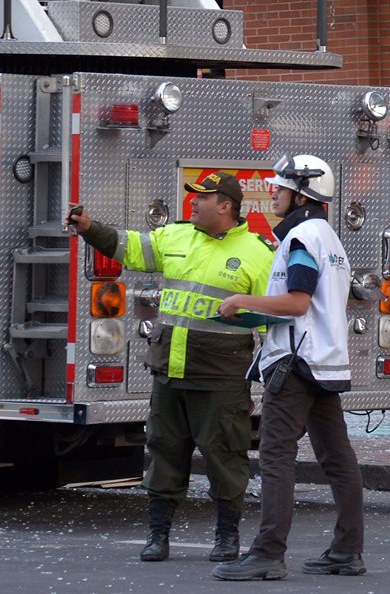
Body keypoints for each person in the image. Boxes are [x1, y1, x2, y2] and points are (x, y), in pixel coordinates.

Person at [67, 172, 274, 563]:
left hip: (220, 378)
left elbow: (273, 318)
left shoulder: (259, 252)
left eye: (202, 198)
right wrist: (90, 228)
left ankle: (226, 538)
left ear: (225, 206)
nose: (192, 204)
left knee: (225, 457)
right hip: (169, 372)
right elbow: (127, 247)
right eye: (192, 198)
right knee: (164, 452)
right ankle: (158, 536)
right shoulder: (175, 236)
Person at [213, 154, 364, 581]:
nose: (272, 194)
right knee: (338, 459)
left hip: (295, 365)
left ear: (302, 194)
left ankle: (266, 554)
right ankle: (347, 551)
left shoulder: (302, 238)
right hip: (323, 362)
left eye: (279, 188)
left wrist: (243, 302)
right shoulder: (328, 238)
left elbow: (298, 302)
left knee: (277, 456)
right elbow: (315, 305)